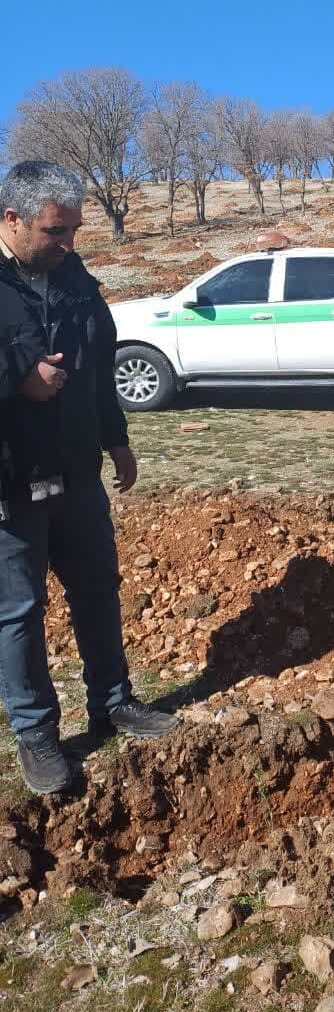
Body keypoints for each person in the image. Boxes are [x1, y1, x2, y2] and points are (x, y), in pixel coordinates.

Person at [0, 161, 178, 796]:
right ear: (12, 219)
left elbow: (100, 365)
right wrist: (18, 382)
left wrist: (116, 438)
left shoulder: (75, 280)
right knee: (19, 613)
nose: (67, 243)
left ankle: (113, 699)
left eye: (74, 230)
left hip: (77, 473)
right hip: (11, 487)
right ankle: (38, 735)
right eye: (55, 231)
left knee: (98, 589)